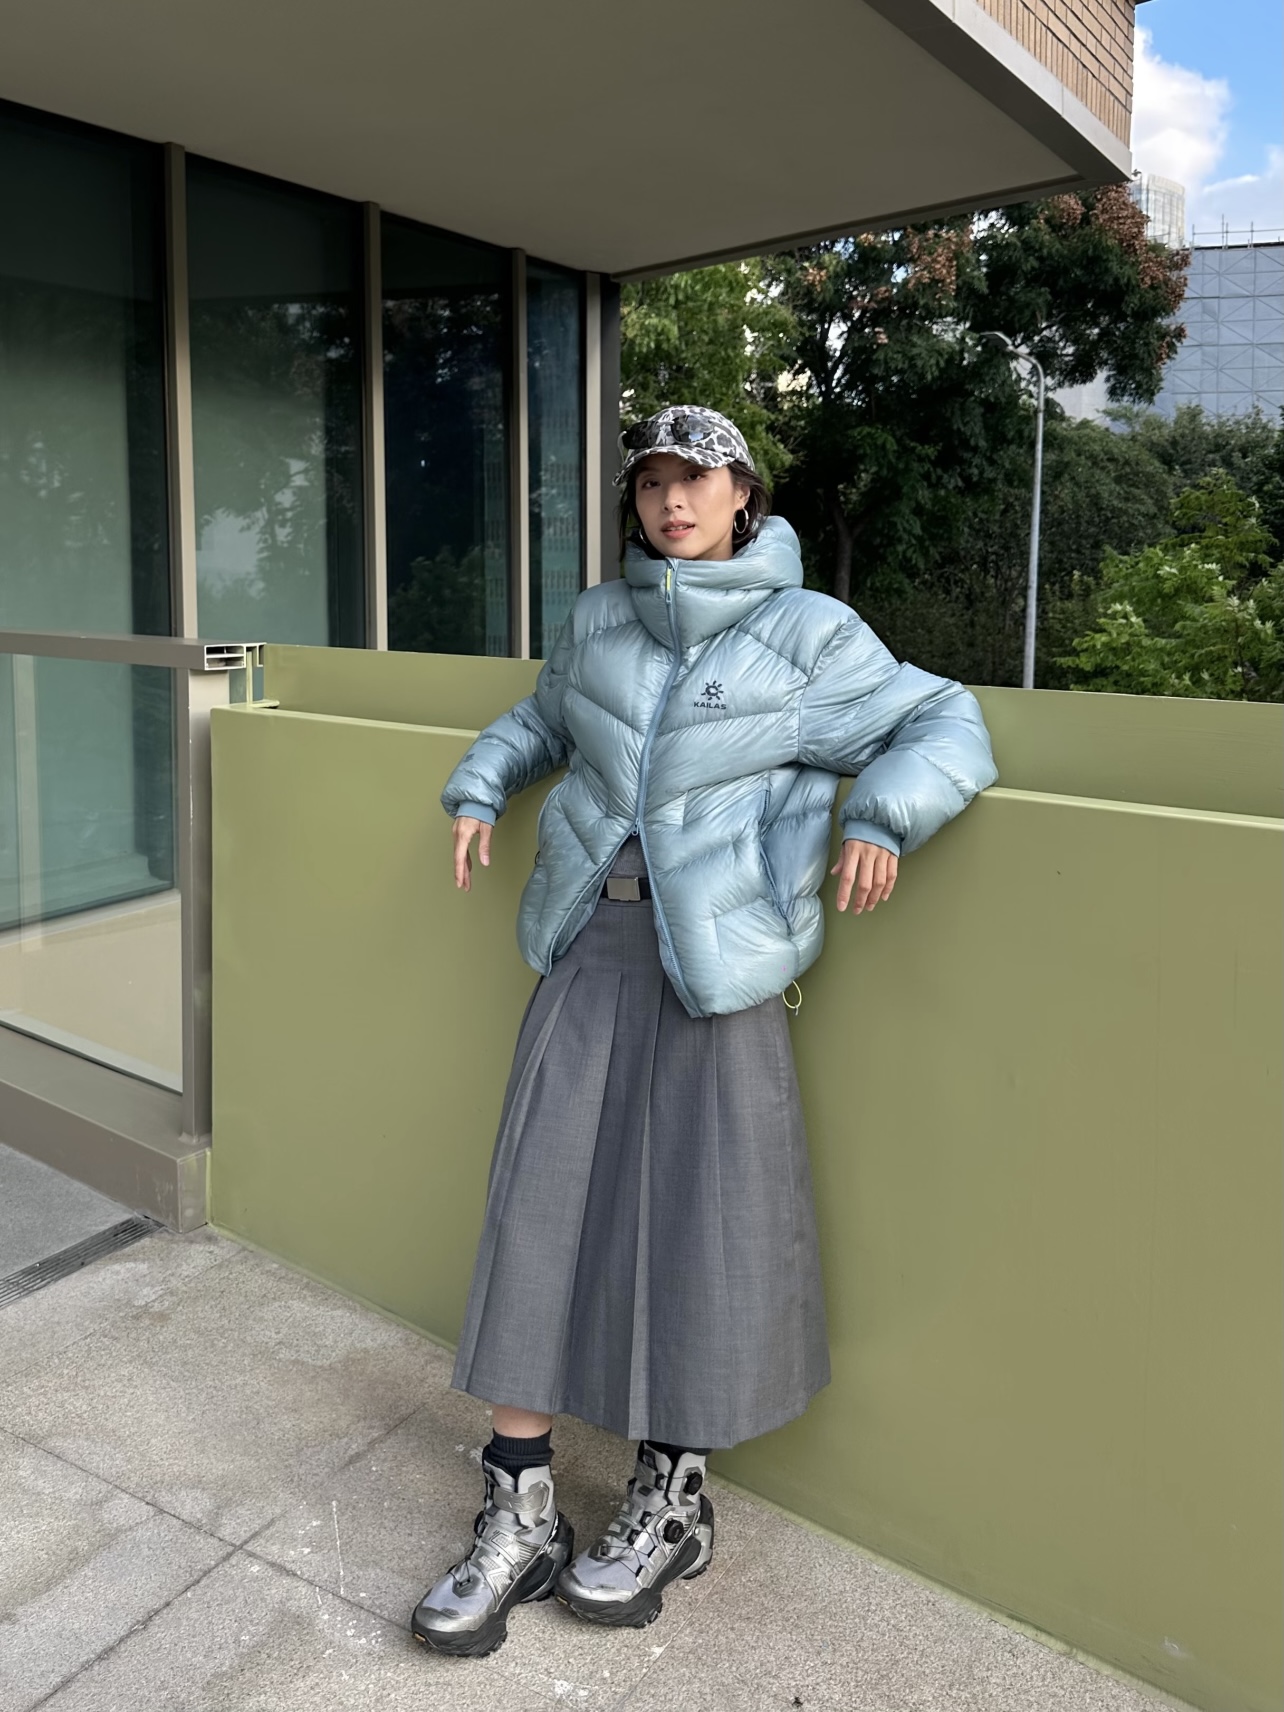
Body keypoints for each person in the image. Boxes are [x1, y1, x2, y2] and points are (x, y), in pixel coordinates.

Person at [411, 404, 998, 1659]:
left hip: (719, 972)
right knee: (536, 1211)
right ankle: (520, 1508)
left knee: (699, 1224)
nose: (673, 501)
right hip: (588, 944)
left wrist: (880, 817)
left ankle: (670, 1499)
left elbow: (946, 721)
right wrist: (479, 783)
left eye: (699, 478)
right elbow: (544, 719)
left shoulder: (811, 634)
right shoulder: (598, 620)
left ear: (744, 496)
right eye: (653, 483)